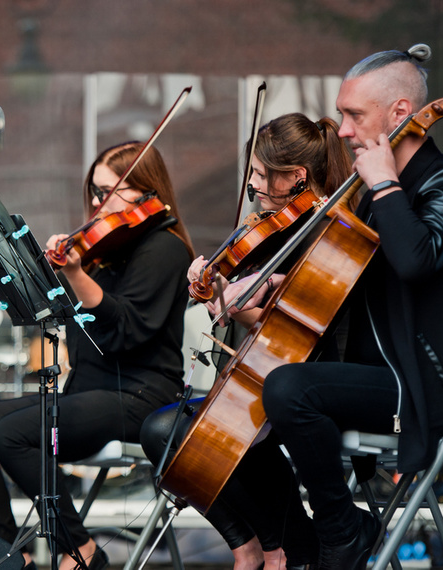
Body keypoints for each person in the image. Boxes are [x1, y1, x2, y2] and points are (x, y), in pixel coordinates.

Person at [262, 44, 443, 570]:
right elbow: (352, 288)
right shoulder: (376, 196)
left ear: (400, 114)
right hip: (382, 375)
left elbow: (415, 261)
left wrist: (385, 182)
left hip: (430, 387)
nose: (342, 130)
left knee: (289, 390)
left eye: (354, 115)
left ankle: (342, 534)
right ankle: (305, 546)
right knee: (254, 404)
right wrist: (276, 286)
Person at [0, 141, 195, 570]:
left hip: (141, 398)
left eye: (112, 191)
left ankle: (78, 549)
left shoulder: (165, 249)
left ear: (146, 192)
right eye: (95, 192)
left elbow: (125, 333)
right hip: (88, 393)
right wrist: (40, 278)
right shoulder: (104, 252)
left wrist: (76, 274)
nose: (99, 203)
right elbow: (71, 324)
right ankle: (5, 556)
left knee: (13, 434)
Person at [140, 112, 353, 570]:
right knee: (164, 432)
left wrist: (252, 293)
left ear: (297, 178)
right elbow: (253, 318)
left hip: (305, 378)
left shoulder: (325, 233)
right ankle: (265, 546)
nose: (252, 183)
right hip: (264, 370)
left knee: (198, 433)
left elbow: (305, 329)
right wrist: (218, 292)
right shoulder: (272, 227)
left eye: (260, 173)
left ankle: (285, 547)